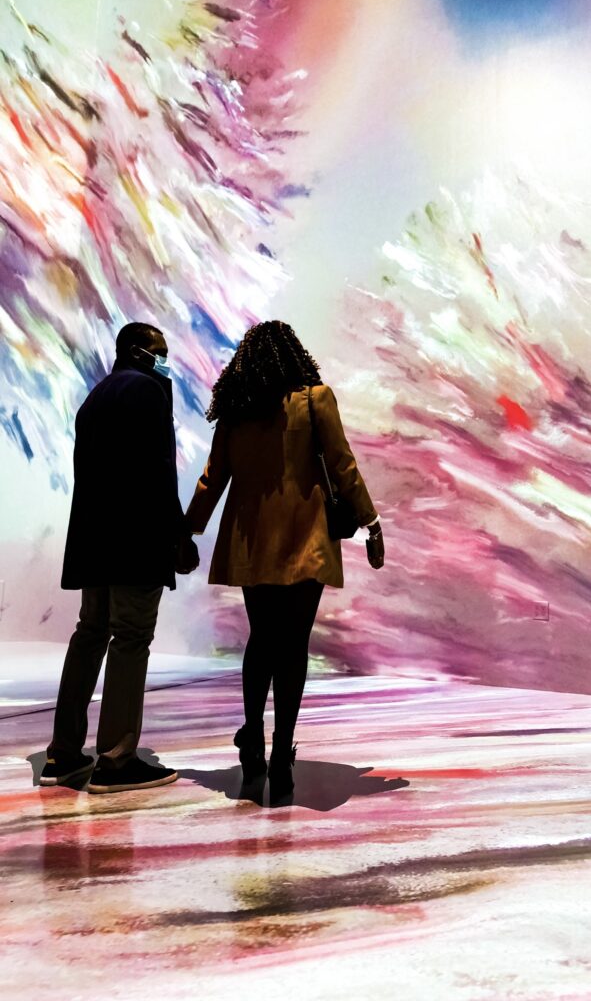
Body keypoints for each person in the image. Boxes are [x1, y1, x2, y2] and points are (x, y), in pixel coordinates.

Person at [185, 320, 384, 801]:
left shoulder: (236, 409)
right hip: (304, 538)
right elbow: (342, 464)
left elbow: (214, 477)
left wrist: (187, 529)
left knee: (261, 639)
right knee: (293, 644)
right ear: (296, 355)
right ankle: (281, 753)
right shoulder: (315, 399)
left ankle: (251, 738)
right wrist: (371, 521)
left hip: (253, 540)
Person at [39, 322, 199, 793]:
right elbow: (157, 475)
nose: (165, 359)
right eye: (159, 350)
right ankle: (116, 760)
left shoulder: (95, 399)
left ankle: (62, 755)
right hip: (134, 544)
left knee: (89, 635)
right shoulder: (149, 392)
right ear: (136, 351)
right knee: (130, 639)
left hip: (95, 543)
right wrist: (179, 536)